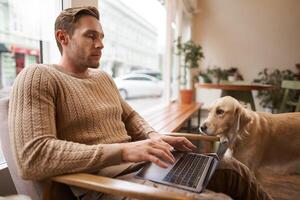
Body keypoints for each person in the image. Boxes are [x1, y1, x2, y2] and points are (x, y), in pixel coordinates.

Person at [8, 6, 273, 200]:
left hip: (145, 168)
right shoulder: (38, 76)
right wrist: (124, 151)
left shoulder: (103, 78)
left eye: (102, 37)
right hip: (105, 183)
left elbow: (131, 117)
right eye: (91, 36)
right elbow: (34, 157)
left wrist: (155, 137)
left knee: (232, 169)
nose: (100, 44)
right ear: (62, 38)